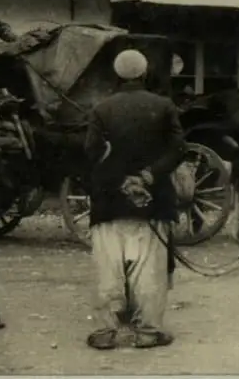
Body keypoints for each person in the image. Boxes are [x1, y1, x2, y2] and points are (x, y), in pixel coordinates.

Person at [83, 49, 186, 351]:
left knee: (108, 268)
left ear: (117, 75)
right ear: (143, 74)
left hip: (109, 201)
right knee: (149, 268)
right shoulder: (164, 106)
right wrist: (147, 176)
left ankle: (106, 332)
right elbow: (179, 148)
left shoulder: (101, 109)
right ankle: (148, 332)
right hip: (153, 201)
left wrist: (120, 180)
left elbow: (91, 151)